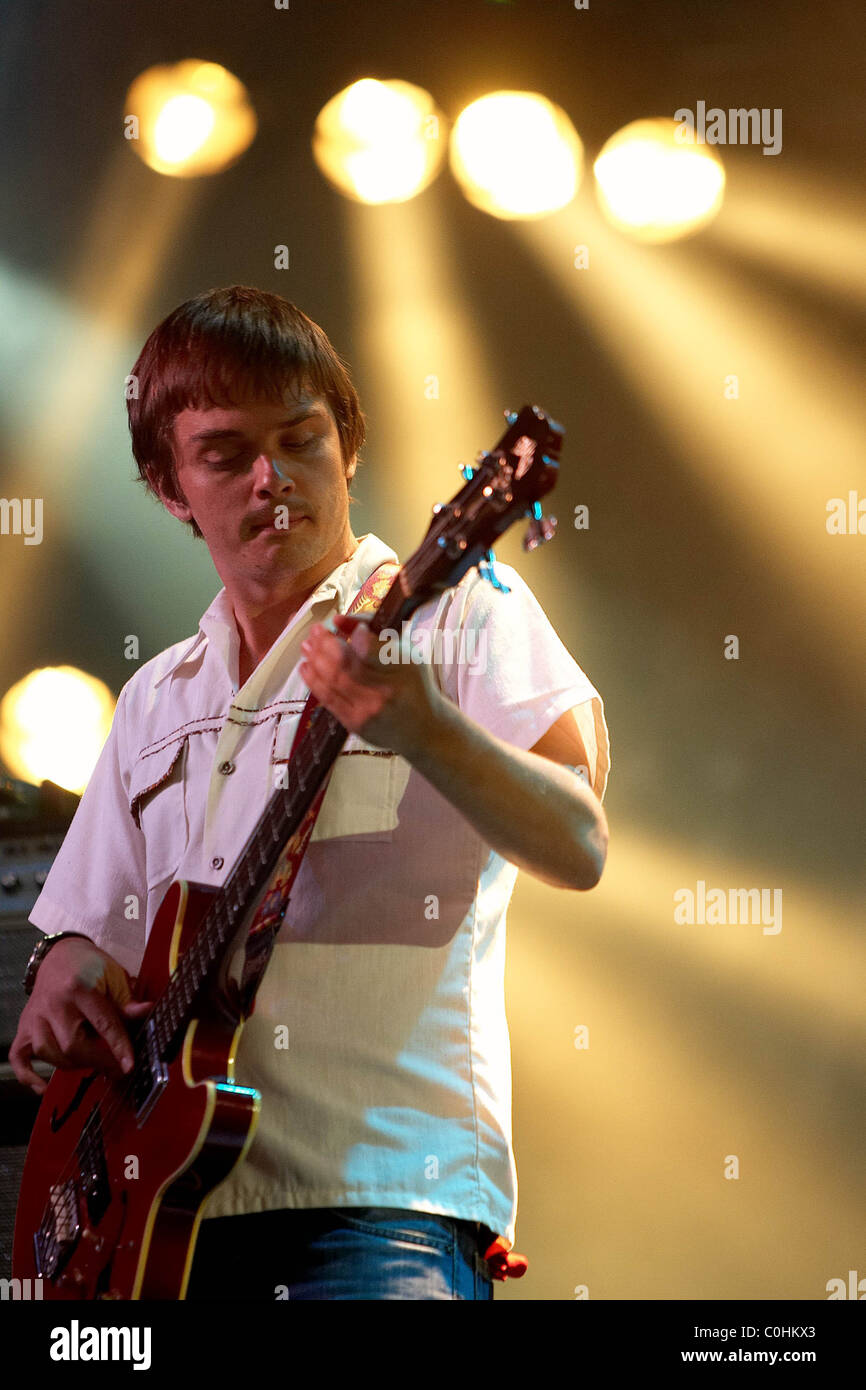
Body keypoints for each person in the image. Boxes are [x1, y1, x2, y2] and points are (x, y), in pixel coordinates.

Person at [10, 285, 610, 1300]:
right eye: (223, 453)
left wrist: (423, 728)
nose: (271, 478)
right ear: (167, 487)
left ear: (350, 447)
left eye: (301, 439)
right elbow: (87, 939)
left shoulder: (453, 612)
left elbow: (578, 840)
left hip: (377, 1205)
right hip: (154, 1220)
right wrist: (59, 976)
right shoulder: (156, 695)